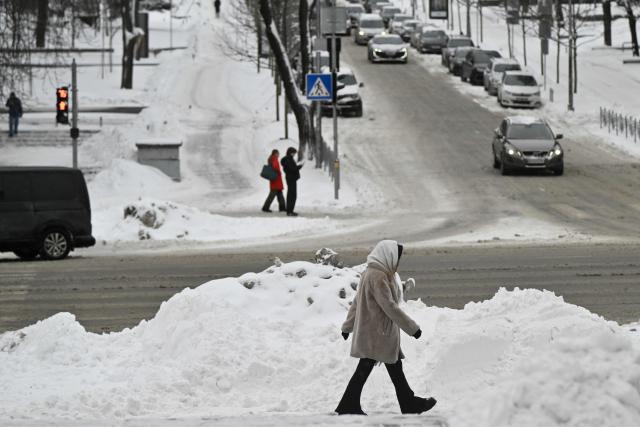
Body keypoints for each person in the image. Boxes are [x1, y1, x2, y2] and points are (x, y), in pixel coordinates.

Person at [335, 240, 437, 415]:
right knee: (371, 367)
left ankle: (407, 403)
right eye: (396, 257)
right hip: (379, 334)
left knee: (392, 367)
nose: (397, 262)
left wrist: (347, 327)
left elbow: (356, 303)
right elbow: (389, 306)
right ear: (388, 255)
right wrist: (412, 328)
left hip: (375, 334)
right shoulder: (379, 276)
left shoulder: (370, 272)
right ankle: (350, 404)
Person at [280, 146, 302, 217]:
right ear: (290, 153)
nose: (294, 154)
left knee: (292, 194)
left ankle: (290, 210)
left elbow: (292, 168)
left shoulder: (289, 159)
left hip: (291, 178)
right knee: (292, 195)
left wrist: (297, 167)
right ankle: (289, 211)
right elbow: (292, 169)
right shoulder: (288, 159)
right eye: (294, 153)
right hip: (291, 179)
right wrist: (299, 167)